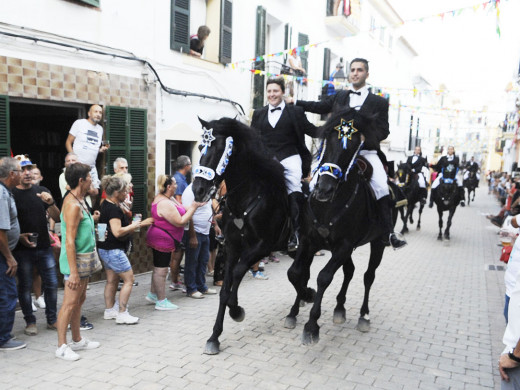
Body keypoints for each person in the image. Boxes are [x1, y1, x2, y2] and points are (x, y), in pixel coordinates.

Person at [289, 58, 407, 249]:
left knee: (381, 187)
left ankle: (388, 234)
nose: (355, 73)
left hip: (365, 152)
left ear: (366, 74)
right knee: (312, 184)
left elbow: (384, 130)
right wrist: (295, 102)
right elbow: (320, 106)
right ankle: (302, 229)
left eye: (359, 70)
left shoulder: (379, 102)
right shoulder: (340, 96)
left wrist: (365, 136)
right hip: (337, 154)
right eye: (352, 70)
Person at [251, 76, 318, 252]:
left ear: (282, 92)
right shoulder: (258, 114)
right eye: (269, 91)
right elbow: (251, 140)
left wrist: (333, 130)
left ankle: (295, 232)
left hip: (290, 155)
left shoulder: (295, 112)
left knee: (293, 186)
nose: (272, 94)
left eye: (276, 91)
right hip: (267, 158)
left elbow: (312, 130)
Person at [56, 163, 100, 361]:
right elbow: (69, 241)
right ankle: (61, 346)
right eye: (90, 176)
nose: (92, 179)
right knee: (69, 303)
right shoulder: (73, 204)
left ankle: (77, 339)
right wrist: (73, 272)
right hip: (75, 262)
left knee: (79, 301)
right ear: (81, 180)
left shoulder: (80, 199)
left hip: (84, 259)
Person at [12, 155, 60, 336]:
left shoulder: (42, 191)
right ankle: (30, 321)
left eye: (29, 169)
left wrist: (51, 202)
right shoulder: (11, 194)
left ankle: (52, 319)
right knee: (24, 286)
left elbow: (57, 217)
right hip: (22, 249)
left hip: (44, 247)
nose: (27, 173)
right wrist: (18, 237)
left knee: (52, 283)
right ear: (15, 173)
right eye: (22, 169)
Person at [98, 175, 153, 324]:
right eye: (124, 192)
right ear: (116, 192)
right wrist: (136, 225)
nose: (126, 194)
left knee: (112, 280)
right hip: (113, 250)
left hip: (105, 249)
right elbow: (117, 231)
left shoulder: (105, 205)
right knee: (129, 279)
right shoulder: (114, 209)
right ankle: (122, 313)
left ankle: (110, 310)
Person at [146, 175, 204, 309]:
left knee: (158, 268)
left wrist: (194, 205)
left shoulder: (168, 198)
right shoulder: (164, 203)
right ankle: (161, 301)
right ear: (168, 187)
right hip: (161, 240)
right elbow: (180, 221)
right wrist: (194, 208)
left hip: (162, 238)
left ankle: (153, 295)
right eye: (174, 183)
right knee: (161, 270)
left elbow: (182, 208)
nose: (177, 185)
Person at [0, 157, 26, 351]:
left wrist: (19, 236)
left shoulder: (5, 192)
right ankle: (3, 338)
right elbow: (0, 231)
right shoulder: (1, 194)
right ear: (11, 175)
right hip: (2, 256)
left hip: (5, 251)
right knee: (8, 294)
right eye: (19, 170)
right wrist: (9, 257)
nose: (23, 174)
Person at [65, 104, 109, 198]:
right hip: (79, 166)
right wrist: (73, 160)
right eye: (95, 111)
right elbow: (68, 142)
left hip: (91, 167)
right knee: (76, 189)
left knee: (95, 192)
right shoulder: (79, 123)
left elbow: (91, 147)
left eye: (100, 112)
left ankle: (87, 210)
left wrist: (100, 150)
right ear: (89, 113)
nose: (98, 114)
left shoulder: (100, 129)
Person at [182, 184, 217, 298]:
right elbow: (188, 214)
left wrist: (215, 225)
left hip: (205, 231)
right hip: (195, 231)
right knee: (192, 261)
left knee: (203, 260)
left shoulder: (207, 189)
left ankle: (201, 286)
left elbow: (210, 208)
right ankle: (191, 288)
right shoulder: (189, 192)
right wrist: (192, 236)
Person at [169, 155, 192, 292]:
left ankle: (175, 279)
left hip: (181, 221)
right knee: (178, 254)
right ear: (186, 166)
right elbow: (178, 201)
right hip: (180, 222)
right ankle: (175, 280)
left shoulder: (180, 179)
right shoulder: (178, 180)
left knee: (178, 253)